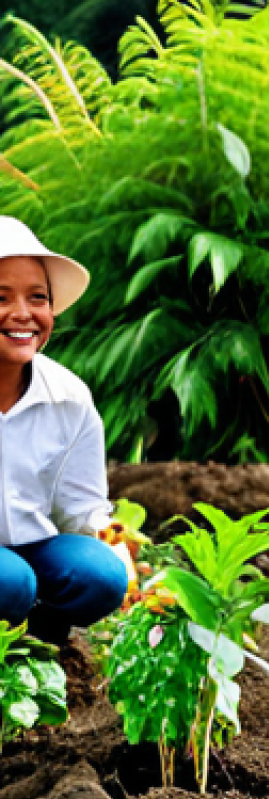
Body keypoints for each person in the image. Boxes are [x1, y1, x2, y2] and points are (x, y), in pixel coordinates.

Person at [0, 217, 127, 644]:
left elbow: (80, 510)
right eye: (1, 297)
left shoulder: (68, 397)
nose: (23, 314)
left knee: (102, 575)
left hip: (32, 551)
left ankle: (38, 636)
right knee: (11, 581)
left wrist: (120, 552)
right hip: (9, 575)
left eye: (38, 298)